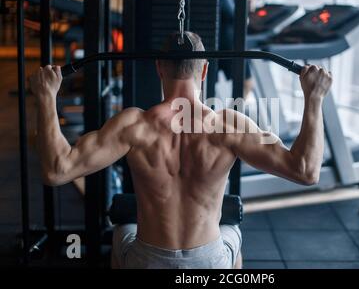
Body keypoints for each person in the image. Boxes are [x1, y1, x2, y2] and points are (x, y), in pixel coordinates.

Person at [29, 32, 332, 269]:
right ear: (204, 72)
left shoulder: (134, 125)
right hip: (208, 262)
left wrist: (46, 97)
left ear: (159, 68)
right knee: (234, 237)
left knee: (123, 233)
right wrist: (313, 99)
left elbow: (57, 171)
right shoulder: (229, 124)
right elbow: (305, 171)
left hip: (148, 260)